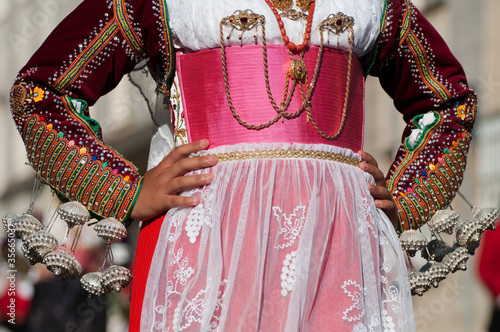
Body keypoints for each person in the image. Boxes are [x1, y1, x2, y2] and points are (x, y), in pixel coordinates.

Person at [9, 0, 476, 330]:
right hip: (208, 248)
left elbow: (449, 105)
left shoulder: (375, 6)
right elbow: (41, 93)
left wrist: (405, 199)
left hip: (337, 246)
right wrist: (126, 191)